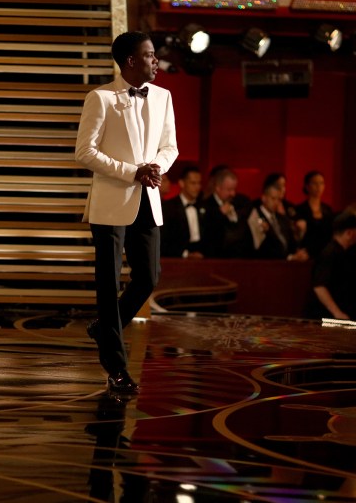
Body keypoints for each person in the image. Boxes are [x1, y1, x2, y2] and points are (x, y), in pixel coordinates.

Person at [75, 31, 178, 395]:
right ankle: (115, 367)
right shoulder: (100, 98)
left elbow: (170, 147)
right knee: (108, 284)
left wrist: (155, 168)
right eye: (150, 56)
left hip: (148, 198)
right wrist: (130, 171)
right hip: (110, 202)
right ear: (131, 61)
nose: (156, 62)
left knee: (148, 278)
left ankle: (105, 327)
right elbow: (84, 152)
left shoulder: (163, 97)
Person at [306, 211, 356, 321]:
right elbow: (319, 287)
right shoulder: (329, 254)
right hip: (325, 318)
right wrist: (337, 313)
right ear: (349, 233)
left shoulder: (344, 253)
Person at [247, 179, 309, 261]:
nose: (276, 202)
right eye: (273, 198)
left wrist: (297, 253)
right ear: (264, 198)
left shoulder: (283, 219)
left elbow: (291, 243)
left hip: (285, 266)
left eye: (279, 199)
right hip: (265, 265)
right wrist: (289, 258)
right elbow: (262, 248)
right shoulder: (254, 216)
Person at [200, 167, 250, 258]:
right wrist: (220, 213)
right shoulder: (206, 205)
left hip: (237, 258)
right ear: (218, 188)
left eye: (234, 189)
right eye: (229, 190)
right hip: (215, 258)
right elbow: (206, 233)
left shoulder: (238, 203)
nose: (233, 194)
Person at [161, 165, 205, 258]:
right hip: (176, 258)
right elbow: (165, 239)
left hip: (202, 257)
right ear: (182, 183)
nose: (197, 187)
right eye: (193, 183)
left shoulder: (204, 206)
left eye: (199, 183)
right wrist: (186, 254)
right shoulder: (168, 207)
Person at [295, 170, 335, 259]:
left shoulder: (327, 210)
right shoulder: (300, 209)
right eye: (315, 183)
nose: (318, 187)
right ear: (307, 186)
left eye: (321, 183)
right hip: (306, 253)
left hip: (325, 252)